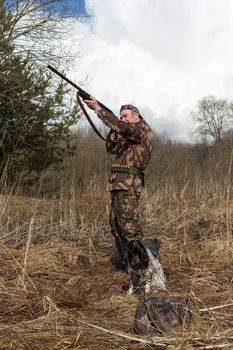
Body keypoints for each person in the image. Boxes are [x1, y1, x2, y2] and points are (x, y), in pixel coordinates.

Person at [79, 94, 154, 270]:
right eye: (121, 117)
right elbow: (111, 147)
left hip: (128, 185)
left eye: (125, 115)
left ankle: (144, 268)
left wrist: (99, 109)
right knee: (116, 226)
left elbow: (123, 128)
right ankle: (126, 263)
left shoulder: (142, 129)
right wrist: (114, 126)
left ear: (136, 116)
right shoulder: (128, 136)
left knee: (130, 228)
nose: (122, 119)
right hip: (118, 184)